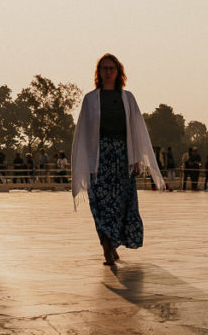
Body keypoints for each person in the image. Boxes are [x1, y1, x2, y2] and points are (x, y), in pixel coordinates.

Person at [71, 52, 164, 266]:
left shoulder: (127, 98)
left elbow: (136, 130)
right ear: (99, 72)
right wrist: (84, 162)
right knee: (101, 203)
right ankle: (106, 246)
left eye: (111, 68)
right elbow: (84, 132)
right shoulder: (91, 99)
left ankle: (112, 244)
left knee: (121, 203)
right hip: (99, 157)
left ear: (118, 71)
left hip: (122, 156)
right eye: (104, 68)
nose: (108, 72)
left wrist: (137, 159)